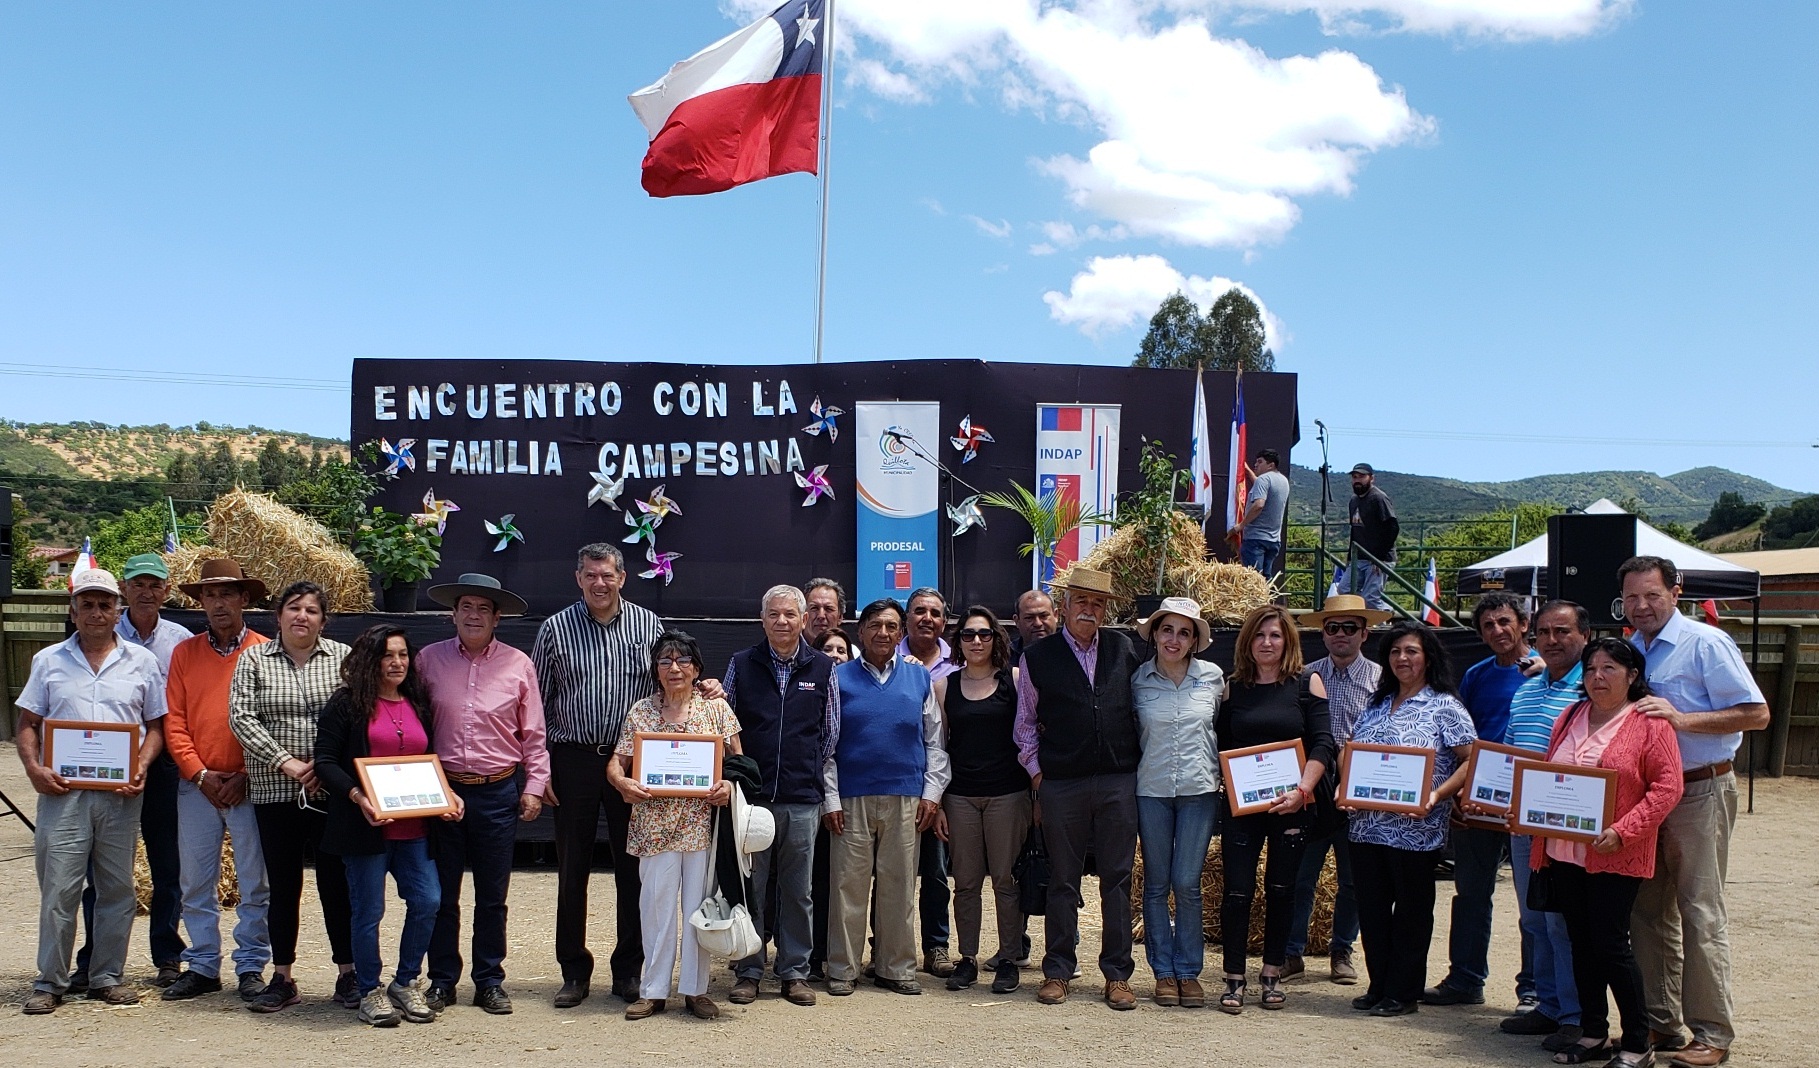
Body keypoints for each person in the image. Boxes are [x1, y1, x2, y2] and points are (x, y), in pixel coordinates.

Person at [1620, 556, 1768, 1067]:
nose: (1641, 606)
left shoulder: (1705, 642)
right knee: (1646, 912)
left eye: (1652, 595)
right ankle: (1661, 1022)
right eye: (1632, 597)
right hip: (1646, 798)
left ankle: (1712, 1034)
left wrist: (1681, 719)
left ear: (1675, 592)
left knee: (1700, 912)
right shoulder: (1633, 649)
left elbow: (1757, 713)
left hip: (1699, 790)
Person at [17, 569, 168, 1015]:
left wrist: (141, 766)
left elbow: (156, 726)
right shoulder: (48, 660)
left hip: (120, 793)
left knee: (117, 888)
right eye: (87, 604)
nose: (96, 613)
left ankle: (106, 976)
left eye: (105, 605)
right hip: (62, 793)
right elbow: (27, 724)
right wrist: (34, 769)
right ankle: (50, 981)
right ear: (73, 612)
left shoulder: (142, 662)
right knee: (59, 889)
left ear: (118, 612)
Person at [1529, 638, 1683, 1068]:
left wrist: (1623, 831)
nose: (1598, 677)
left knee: (1611, 945)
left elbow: (1668, 787)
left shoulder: (1650, 723)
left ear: (1632, 675)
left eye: (1610, 668)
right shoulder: (1570, 715)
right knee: (1580, 943)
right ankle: (1593, 1031)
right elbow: (1550, 776)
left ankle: (1637, 1042)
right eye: (1591, 668)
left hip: (1615, 852)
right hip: (1564, 850)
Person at [531, 544, 662, 1008]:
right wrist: (540, 767)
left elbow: (666, 688)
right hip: (573, 759)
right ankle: (573, 972)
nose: (599, 583)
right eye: (590, 575)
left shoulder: (649, 626)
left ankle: (628, 970)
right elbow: (536, 703)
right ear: (578, 578)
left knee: (633, 869)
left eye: (607, 575)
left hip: (631, 763)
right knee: (572, 869)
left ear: (622, 577)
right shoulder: (554, 629)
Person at [418, 573, 549, 1016]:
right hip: (443, 791)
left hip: (497, 793)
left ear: (497, 618)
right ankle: (442, 980)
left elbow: (533, 734)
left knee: (492, 895)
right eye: (466, 607)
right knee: (442, 894)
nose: (474, 615)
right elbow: (413, 724)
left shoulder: (518, 664)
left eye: (483, 609)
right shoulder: (428, 660)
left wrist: (534, 787)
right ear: (453, 614)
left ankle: (489, 980)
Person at [314, 625, 459, 1027]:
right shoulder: (346, 704)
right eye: (387, 655)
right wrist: (357, 796)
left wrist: (447, 794)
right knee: (368, 912)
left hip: (415, 830)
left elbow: (428, 760)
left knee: (428, 901)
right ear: (370, 660)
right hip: (366, 830)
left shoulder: (417, 702)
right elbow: (324, 761)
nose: (397, 663)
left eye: (402, 655)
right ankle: (369, 990)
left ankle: (405, 981)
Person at [1014, 567, 1143, 1011]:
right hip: (1062, 783)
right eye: (1081, 602)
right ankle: (1057, 970)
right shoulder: (1038, 657)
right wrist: (1038, 775)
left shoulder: (1124, 648)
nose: (1089, 610)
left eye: (1098, 604)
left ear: (1105, 610)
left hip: (1118, 780)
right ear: (1064, 607)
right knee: (1063, 879)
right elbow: (1025, 725)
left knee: (1118, 879)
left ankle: (1117, 975)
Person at [228, 580, 356, 1012]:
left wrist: (325, 764)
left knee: (336, 884)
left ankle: (348, 973)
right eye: (294, 608)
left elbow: (356, 715)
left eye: (312, 610)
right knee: (283, 887)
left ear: (324, 620)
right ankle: (282, 977)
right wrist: (287, 763)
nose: (302, 616)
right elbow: (242, 719)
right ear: (278, 615)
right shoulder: (253, 659)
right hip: (275, 791)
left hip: (329, 792)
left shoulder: (342, 659)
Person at [69, 553, 190, 994]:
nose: (146, 592)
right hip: (104, 766)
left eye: (154, 584)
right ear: (124, 589)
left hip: (162, 761)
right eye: (138, 583)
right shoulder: (99, 628)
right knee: (99, 869)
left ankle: (168, 956)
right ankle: (92, 959)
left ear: (166, 590)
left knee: (166, 864)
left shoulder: (180, 640)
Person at [1341, 620, 1476, 1018]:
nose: (1402, 658)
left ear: (1428, 657)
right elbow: (1352, 751)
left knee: (1412, 913)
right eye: (1395, 652)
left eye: (1411, 651)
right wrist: (1345, 787)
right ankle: (1379, 985)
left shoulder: (1445, 706)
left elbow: (1470, 760)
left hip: (1416, 830)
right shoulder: (1377, 703)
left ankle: (1403, 992)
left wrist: (1437, 794)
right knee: (1373, 910)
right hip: (1366, 827)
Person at [606, 630, 742, 1021]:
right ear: (656, 669)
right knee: (655, 909)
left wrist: (728, 786)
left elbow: (739, 761)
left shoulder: (716, 710)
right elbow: (617, 762)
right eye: (665, 661)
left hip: (702, 826)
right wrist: (622, 783)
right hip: (653, 826)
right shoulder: (641, 712)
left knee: (699, 910)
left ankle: (696, 990)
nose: (674, 668)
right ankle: (652, 991)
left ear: (697, 668)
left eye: (683, 660)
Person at [822, 598, 951, 997]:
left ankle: (895, 968)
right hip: (851, 798)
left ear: (901, 634)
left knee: (899, 886)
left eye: (892, 626)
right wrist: (831, 799)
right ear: (860, 632)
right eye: (875, 625)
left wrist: (932, 793)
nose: (883, 632)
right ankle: (843, 969)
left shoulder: (919, 678)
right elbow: (826, 745)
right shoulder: (837, 678)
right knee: (848, 887)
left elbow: (935, 740)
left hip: (907, 798)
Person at [161, 558, 273, 1003]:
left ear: (244, 598)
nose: (218, 602)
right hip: (198, 787)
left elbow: (273, 723)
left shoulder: (266, 652)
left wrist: (247, 773)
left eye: (227, 593)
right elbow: (174, 722)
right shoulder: (184, 654)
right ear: (201, 602)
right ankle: (203, 964)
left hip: (252, 784)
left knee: (255, 882)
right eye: (210, 594)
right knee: (195, 881)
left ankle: (251, 965)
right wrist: (199, 773)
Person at [722, 585, 839, 1009]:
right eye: (774, 614)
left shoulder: (823, 667)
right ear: (762, 619)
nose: (782, 622)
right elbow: (725, 723)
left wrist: (800, 766)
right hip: (752, 799)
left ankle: (794, 972)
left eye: (790, 614)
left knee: (798, 891)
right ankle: (749, 970)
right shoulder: (741, 664)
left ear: (804, 619)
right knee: (751, 887)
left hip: (802, 798)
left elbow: (830, 733)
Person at [1217, 604, 1334, 1013]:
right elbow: (1222, 746)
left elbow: (1323, 743)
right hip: (1243, 808)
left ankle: (1271, 973)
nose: (1267, 642)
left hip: (1293, 805)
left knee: (1283, 890)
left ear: (1288, 641)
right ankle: (1234, 977)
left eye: (1275, 635)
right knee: (1236, 891)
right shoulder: (1233, 687)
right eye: (1260, 635)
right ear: (1247, 641)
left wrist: (1303, 790)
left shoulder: (1306, 683)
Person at [1427, 592, 1536, 1008]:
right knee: (1471, 892)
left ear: (1523, 624)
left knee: (1533, 901)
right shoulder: (1475, 675)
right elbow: (1465, 740)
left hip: (1530, 799)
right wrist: (1460, 790)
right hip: (1480, 798)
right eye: (1488, 625)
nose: (1497, 630)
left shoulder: (1549, 672)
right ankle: (1466, 979)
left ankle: (1533, 989)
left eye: (1505, 622)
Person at [1492, 600, 1591, 1053]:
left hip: (1567, 825)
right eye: (1545, 632)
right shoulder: (1527, 690)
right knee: (1534, 919)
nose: (1552, 640)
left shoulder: (1592, 689)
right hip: (1524, 825)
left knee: (1563, 924)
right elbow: (1509, 755)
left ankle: (1576, 1016)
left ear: (1584, 636)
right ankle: (1549, 1005)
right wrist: (1497, 799)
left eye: (1563, 631)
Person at [1285, 594, 1386, 985]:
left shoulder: (1382, 680)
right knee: (1300, 877)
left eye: (1349, 627)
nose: (1340, 634)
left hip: (1360, 791)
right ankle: (1292, 952)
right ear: (1323, 633)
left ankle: (1341, 950)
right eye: (1332, 627)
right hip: (1313, 788)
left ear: (1365, 633)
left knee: (1353, 880)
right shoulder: (1304, 676)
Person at [932, 606, 1030, 995]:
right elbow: (938, 748)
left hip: (1008, 793)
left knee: (1006, 880)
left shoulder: (1016, 680)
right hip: (960, 797)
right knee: (967, 882)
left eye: (984, 634)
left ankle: (1008, 959)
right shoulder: (944, 686)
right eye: (968, 634)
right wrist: (939, 803)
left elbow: (1030, 734)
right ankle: (967, 958)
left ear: (996, 639)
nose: (976, 641)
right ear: (958, 641)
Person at [1132, 597, 1223, 1009]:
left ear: (1194, 640)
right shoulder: (1137, 681)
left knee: (1186, 883)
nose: (1174, 639)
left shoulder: (1214, 679)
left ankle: (1188, 971)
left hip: (1198, 791)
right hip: (1151, 790)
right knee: (1155, 884)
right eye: (1167, 629)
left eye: (1184, 632)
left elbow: (1223, 730)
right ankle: (1163, 973)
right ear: (1154, 634)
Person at [900, 586, 956, 978]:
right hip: (897, 787)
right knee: (890, 875)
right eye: (919, 611)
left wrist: (939, 798)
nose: (927, 619)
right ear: (907, 617)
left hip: (941, 789)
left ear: (945, 622)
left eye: (935, 613)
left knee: (936, 874)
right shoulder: (888, 657)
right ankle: (886, 946)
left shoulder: (960, 662)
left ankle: (937, 947)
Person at [1346, 463, 1399, 612]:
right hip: (1359, 557)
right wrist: (1349, 558)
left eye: (1362, 476)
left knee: (1370, 598)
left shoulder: (1378, 498)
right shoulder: (1353, 501)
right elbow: (1354, 531)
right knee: (1345, 590)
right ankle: (1364, 617)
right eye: (1354, 477)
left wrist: (1379, 558)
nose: (1357, 480)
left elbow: (1393, 527)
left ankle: (1386, 616)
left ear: (1371, 478)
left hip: (1379, 558)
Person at [1239, 449, 1292, 578]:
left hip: (1255, 539)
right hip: (1274, 540)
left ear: (1270, 465)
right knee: (1265, 579)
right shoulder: (1283, 481)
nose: (1255, 464)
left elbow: (1259, 504)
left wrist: (1241, 525)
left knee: (1253, 579)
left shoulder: (1263, 479)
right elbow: (1262, 485)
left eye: (1260, 462)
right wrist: (1248, 471)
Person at [1008, 589, 1056, 662]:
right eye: (1029, 618)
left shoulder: (1071, 650)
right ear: (1017, 621)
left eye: (1043, 616)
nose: (1038, 623)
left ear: (1056, 615)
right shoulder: (1005, 657)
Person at [804, 578, 847, 643]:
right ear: (803, 616)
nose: (821, 616)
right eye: (814, 608)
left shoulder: (851, 649)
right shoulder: (789, 648)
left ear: (840, 617)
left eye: (828, 609)